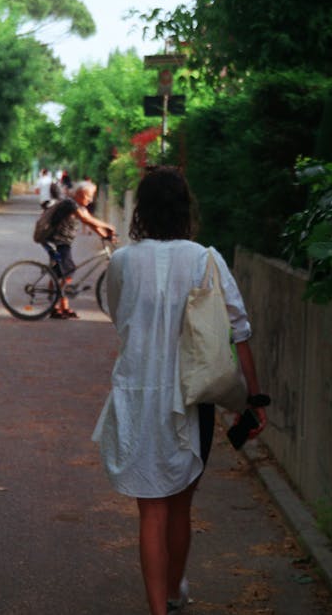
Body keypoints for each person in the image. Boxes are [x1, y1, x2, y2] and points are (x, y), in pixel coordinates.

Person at [92, 166, 267, 615]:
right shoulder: (205, 258)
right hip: (193, 400)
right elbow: (238, 330)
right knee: (180, 504)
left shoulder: (124, 262)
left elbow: (118, 315)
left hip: (137, 393)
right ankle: (173, 594)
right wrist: (254, 398)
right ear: (185, 209)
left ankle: (158, 609)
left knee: (150, 511)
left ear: (142, 211)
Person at [45, 182, 116, 319]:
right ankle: (55, 307)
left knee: (64, 272)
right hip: (57, 241)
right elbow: (85, 219)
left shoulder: (78, 205)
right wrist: (107, 226)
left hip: (63, 242)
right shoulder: (69, 204)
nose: (90, 200)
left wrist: (105, 235)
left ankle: (62, 307)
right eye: (88, 196)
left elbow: (90, 221)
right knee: (64, 272)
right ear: (79, 194)